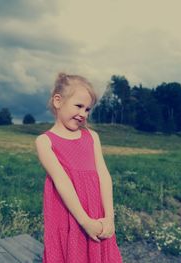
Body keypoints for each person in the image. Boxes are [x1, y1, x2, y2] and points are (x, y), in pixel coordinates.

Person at [35, 73, 123, 263]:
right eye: (79, 106)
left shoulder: (92, 137)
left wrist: (109, 217)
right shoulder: (45, 141)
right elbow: (62, 182)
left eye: (88, 109)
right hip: (68, 214)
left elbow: (104, 176)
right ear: (58, 101)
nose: (83, 114)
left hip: (96, 211)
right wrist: (84, 221)